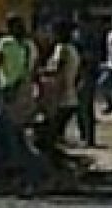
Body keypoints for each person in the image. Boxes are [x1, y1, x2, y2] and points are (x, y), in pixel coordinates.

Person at [0, 14, 46, 196]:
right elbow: (34, 70)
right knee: (16, 136)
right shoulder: (31, 46)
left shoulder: (5, 44)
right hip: (25, 94)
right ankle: (27, 178)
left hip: (8, 95)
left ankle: (11, 179)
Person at [40, 19, 81, 157]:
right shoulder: (73, 49)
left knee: (50, 135)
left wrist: (39, 72)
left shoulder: (62, 49)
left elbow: (58, 70)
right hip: (70, 97)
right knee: (55, 135)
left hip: (62, 99)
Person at [73, 10, 104, 148]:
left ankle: (89, 138)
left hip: (87, 73)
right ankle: (84, 135)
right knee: (80, 107)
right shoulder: (77, 34)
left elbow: (93, 55)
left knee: (86, 107)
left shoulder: (90, 36)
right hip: (77, 73)